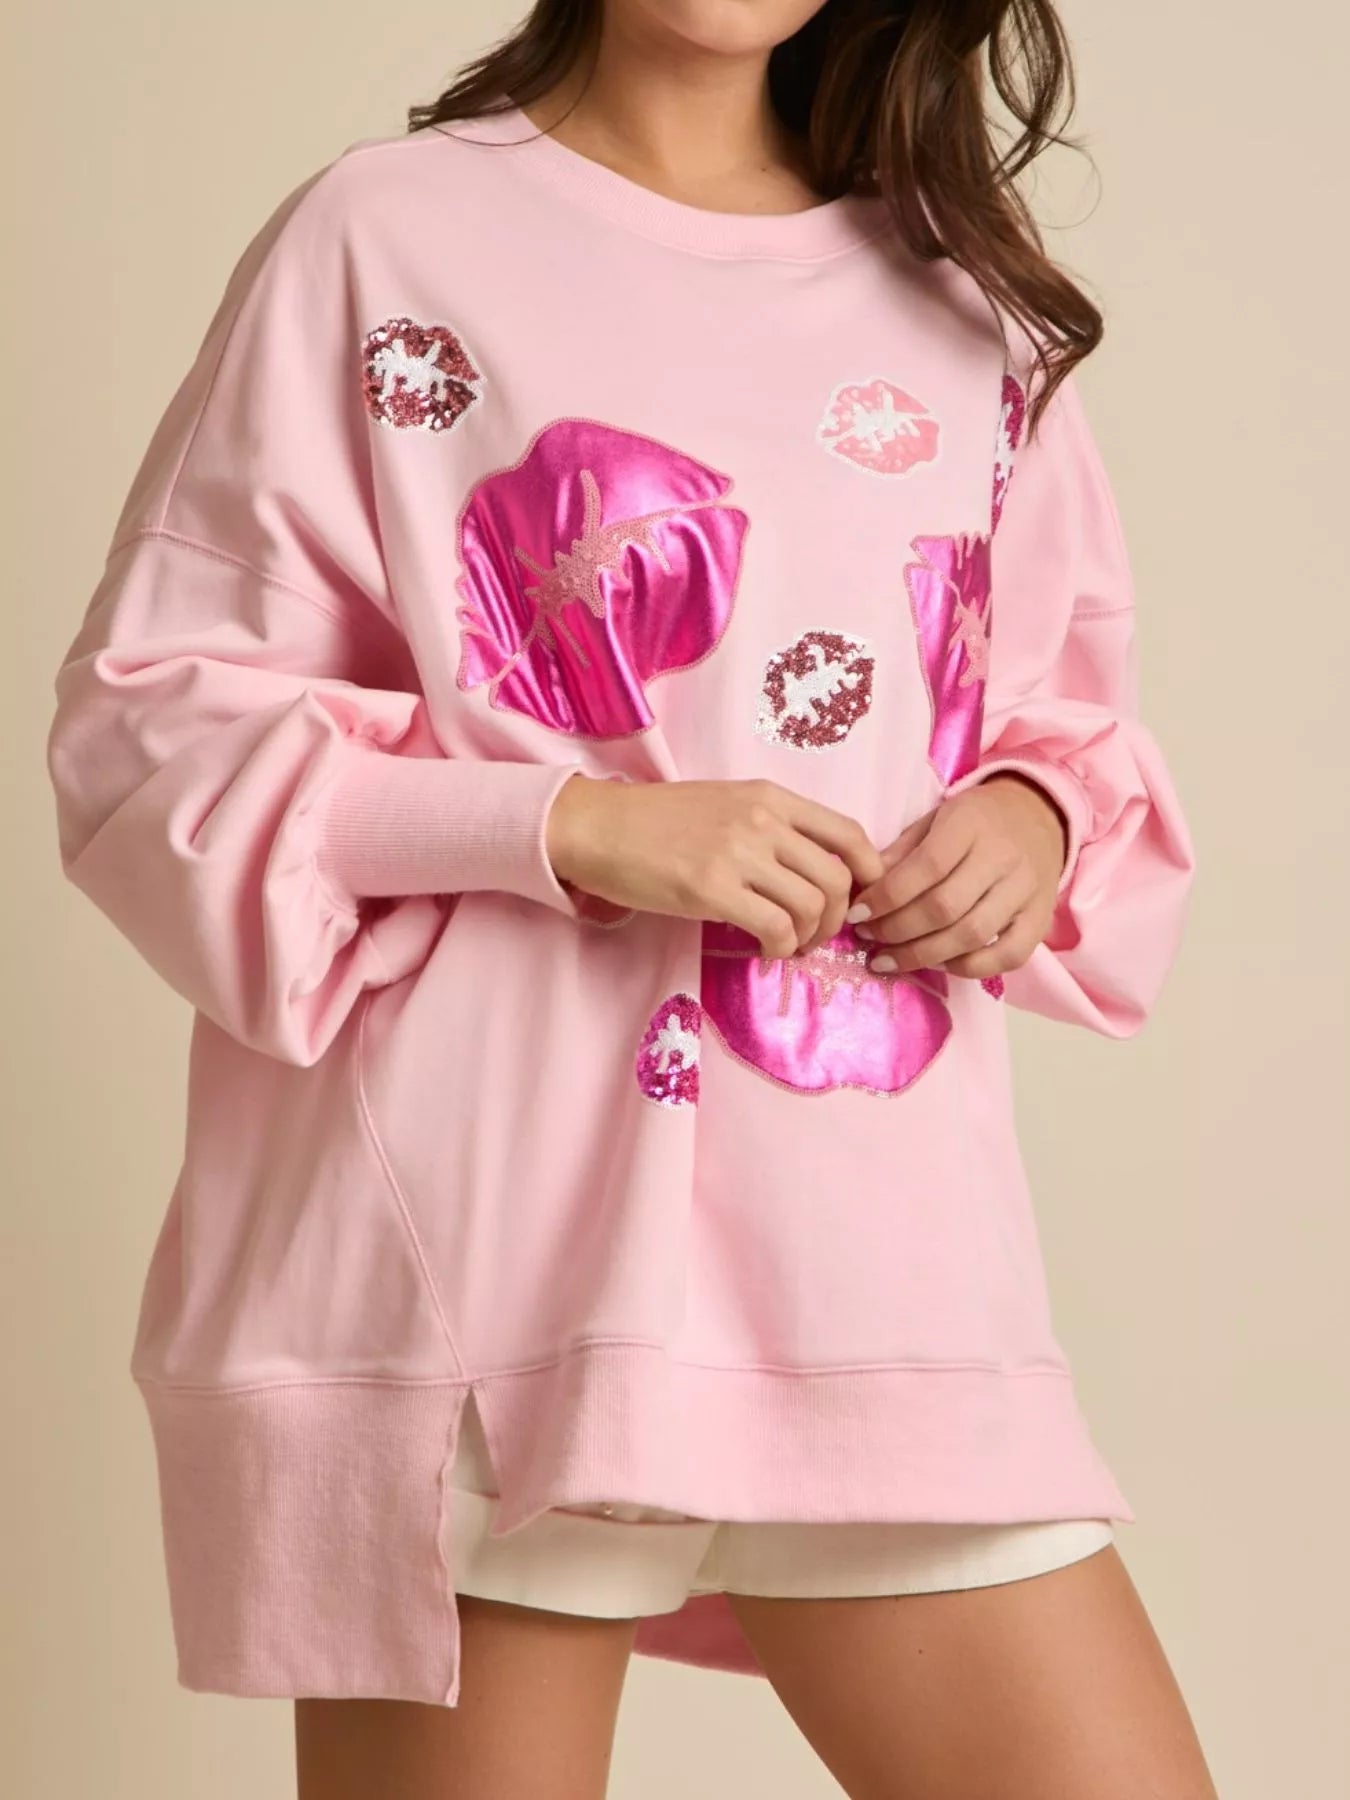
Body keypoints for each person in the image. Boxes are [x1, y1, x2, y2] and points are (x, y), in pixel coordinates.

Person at [46, 2, 1214, 1795]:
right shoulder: (387, 237)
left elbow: (1059, 711)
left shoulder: (956, 301)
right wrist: (573, 825)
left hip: (865, 1254)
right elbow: (155, 740)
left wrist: (1034, 815)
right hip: (482, 1261)